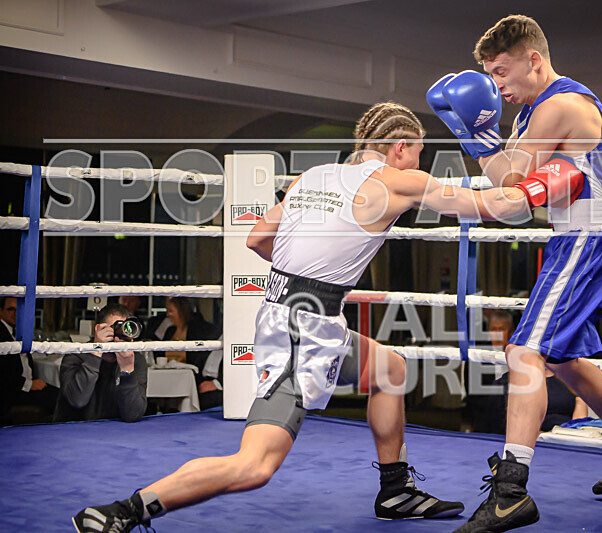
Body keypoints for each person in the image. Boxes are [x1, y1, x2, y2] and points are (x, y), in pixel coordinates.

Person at [72, 101, 546, 532]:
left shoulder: (311, 177)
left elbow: (258, 239)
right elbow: (491, 207)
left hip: (291, 313)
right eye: (417, 153)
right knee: (254, 466)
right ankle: (126, 510)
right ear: (400, 146)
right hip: (304, 331)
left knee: (390, 368)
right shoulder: (399, 181)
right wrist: (543, 184)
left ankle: (395, 490)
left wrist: (307, 272)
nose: (419, 164)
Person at [428, 15, 602, 531]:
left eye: (502, 71)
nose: (498, 85)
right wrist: (478, 136)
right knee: (558, 356)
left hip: (589, 239)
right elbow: (509, 189)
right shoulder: (528, 115)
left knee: (524, 352)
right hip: (571, 240)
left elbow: (510, 188)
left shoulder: (561, 105)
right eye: (490, 75)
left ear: (534, 58)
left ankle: (511, 491)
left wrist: (478, 137)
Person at [53, 303, 148, 423]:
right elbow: (78, 400)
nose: (118, 335)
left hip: (115, 432)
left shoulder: (134, 360)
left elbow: (133, 414)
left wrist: (127, 369)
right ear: (98, 329)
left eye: (125, 329)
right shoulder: (76, 354)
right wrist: (96, 352)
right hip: (75, 429)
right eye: (114, 328)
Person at [0, 296, 57, 424]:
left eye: (18, 309)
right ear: (1, 311)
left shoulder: (17, 331)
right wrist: (29, 384)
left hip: (21, 388)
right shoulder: (1, 333)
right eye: (10, 309)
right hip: (11, 394)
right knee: (59, 397)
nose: (15, 313)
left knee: (61, 393)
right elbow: (3, 373)